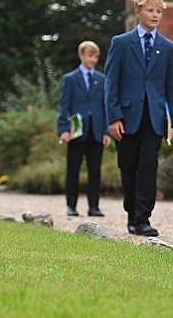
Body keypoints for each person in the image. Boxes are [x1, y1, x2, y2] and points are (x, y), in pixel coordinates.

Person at [104, 0, 173, 237]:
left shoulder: (169, 48)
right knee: (128, 166)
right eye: (150, 10)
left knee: (149, 164)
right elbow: (111, 83)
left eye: (159, 11)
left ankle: (143, 217)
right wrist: (113, 117)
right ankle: (131, 213)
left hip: (154, 117)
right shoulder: (121, 43)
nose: (155, 15)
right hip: (126, 117)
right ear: (138, 12)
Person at [56, 40, 110, 217]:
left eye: (96, 56)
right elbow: (64, 106)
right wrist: (63, 129)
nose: (93, 59)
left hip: (96, 132)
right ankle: (71, 205)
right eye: (90, 55)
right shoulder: (70, 79)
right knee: (73, 169)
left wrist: (106, 131)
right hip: (76, 132)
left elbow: (105, 106)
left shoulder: (102, 80)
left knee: (95, 171)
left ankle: (94, 206)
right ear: (81, 55)